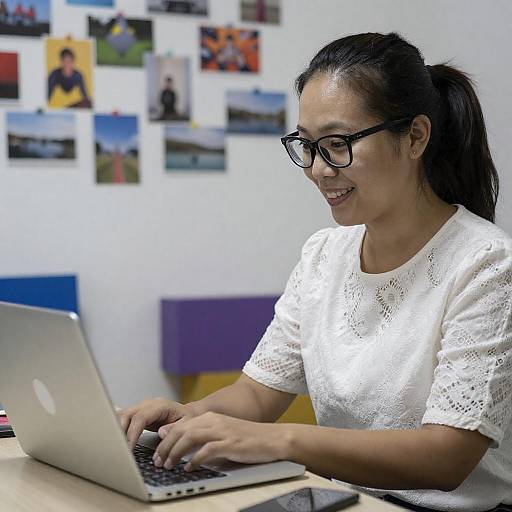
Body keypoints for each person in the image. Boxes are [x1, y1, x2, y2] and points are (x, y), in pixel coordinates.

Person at [119, 32, 512, 512]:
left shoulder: (488, 265)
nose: (318, 170)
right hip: (344, 500)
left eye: (337, 143)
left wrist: (282, 441)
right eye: (306, 145)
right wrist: (186, 416)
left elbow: (446, 458)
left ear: (415, 137)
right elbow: (258, 395)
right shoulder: (324, 254)